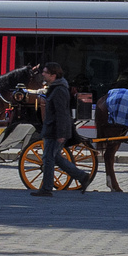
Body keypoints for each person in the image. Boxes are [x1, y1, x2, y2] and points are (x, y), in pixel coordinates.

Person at [31, 62, 88, 196]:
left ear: (53, 75)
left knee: (49, 158)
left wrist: (61, 133)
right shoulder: (56, 87)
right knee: (53, 157)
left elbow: (62, 113)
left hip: (55, 130)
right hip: (52, 128)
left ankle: (46, 188)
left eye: (45, 72)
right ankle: (81, 176)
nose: (43, 74)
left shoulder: (59, 90)